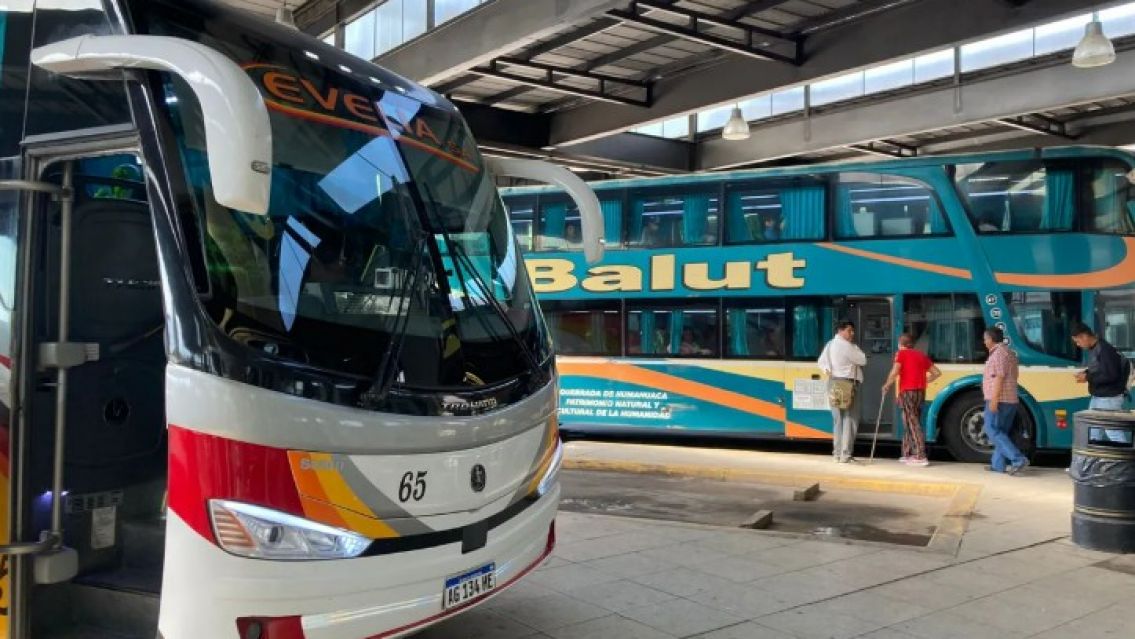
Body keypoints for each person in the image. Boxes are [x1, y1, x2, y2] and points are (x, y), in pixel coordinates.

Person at [882, 333, 941, 467]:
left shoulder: (901, 354)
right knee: (909, 421)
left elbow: (895, 371)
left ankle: (920, 455)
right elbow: (937, 373)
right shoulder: (921, 355)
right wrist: (925, 380)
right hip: (920, 392)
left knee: (912, 422)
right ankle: (907, 453)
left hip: (907, 392)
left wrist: (887, 384)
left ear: (900, 344)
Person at [982, 326, 1029, 475]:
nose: (984, 342)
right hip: (1010, 399)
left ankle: (1018, 459)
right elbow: (1015, 375)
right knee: (1002, 433)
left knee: (992, 430)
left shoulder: (998, 355)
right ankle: (998, 465)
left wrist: (994, 399)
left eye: (985, 339)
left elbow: (999, 377)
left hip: (1000, 400)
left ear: (990, 339)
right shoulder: (1009, 353)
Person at [818, 320, 866, 463]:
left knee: (837, 419)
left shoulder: (830, 344)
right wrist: (855, 348)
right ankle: (846, 454)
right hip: (847, 383)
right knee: (850, 419)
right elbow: (863, 360)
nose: (852, 333)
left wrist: (829, 371)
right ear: (840, 330)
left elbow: (821, 362)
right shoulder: (848, 346)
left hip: (834, 383)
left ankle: (837, 454)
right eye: (849, 330)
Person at [1071, 323, 1131, 411]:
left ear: (1084, 336)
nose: (1078, 344)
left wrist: (1088, 377)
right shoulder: (1095, 348)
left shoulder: (1104, 349)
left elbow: (1111, 375)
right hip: (1100, 398)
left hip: (1108, 400)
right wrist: (1086, 373)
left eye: (1077, 341)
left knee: (1102, 425)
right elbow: (1100, 369)